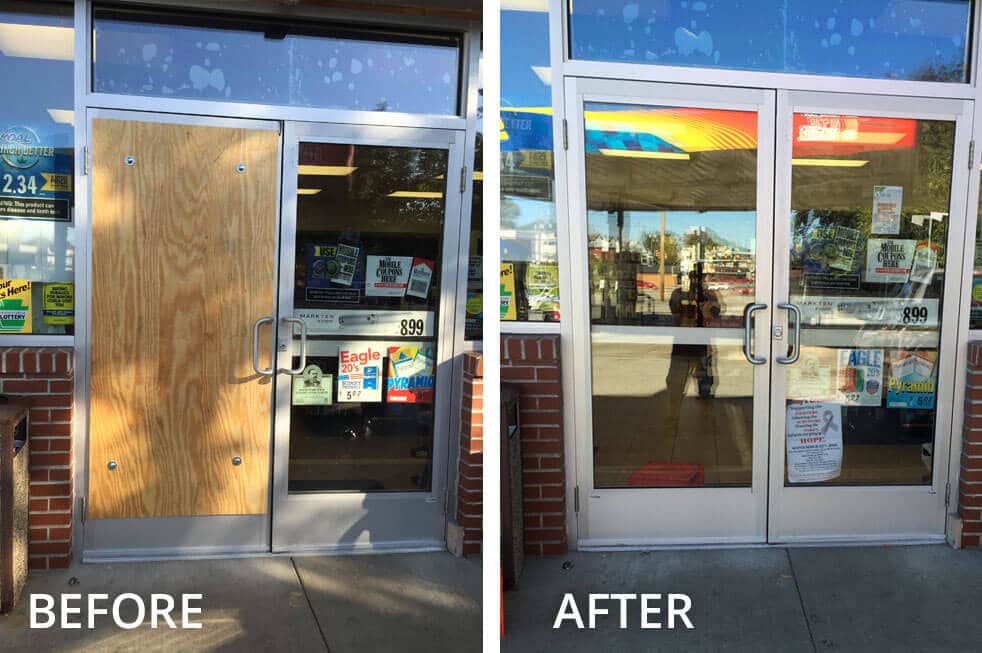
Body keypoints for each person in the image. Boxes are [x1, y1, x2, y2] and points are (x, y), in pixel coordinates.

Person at [664, 264, 721, 437]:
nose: (696, 281)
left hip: (702, 348)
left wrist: (705, 305)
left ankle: (706, 422)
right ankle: (673, 422)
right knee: (674, 387)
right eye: (692, 278)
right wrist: (687, 301)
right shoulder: (678, 293)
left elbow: (715, 314)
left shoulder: (710, 295)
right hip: (681, 348)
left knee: (705, 388)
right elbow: (674, 312)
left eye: (699, 278)